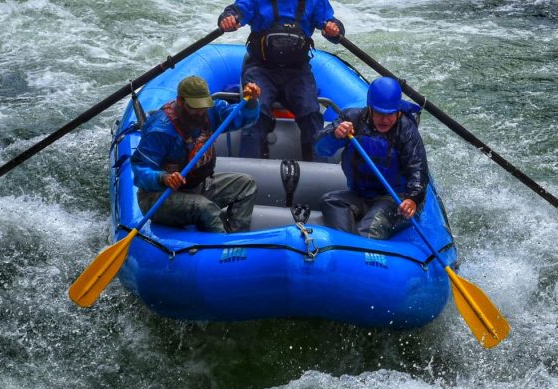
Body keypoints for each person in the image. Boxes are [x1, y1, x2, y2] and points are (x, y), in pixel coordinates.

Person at [217, 0, 345, 161]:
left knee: (311, 113)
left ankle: (317, 167)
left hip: (297, 71)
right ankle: (249, 171)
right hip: (261, 68)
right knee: (257, 112)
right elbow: (236, 11)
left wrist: (334, 28)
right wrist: (229, 18)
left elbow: (332, 25)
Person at [131, 76, 262, 233]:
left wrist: (252, 101)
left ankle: (235, 237)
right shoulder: (161, 130)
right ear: (180, 101)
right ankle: (222, 246)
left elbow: (242, 118)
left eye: (203, 106)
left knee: (246, 185)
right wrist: (163, 178)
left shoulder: (210, 112)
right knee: (205, 208)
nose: (201, 112)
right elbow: (140, 170)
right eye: (195, 107)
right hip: (159, 196)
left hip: (194, 186)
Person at [314, 77, 428, 240]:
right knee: (330, 201)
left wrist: (413, 199)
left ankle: (358, 250)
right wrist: (334, 134)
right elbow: (321, 149)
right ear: (370, 108)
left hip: (395, 198)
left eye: (390, 114)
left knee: (368, 229)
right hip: (361, 195)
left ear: (399, 111)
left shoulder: (406, 131)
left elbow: (418, 169)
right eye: (380, 113)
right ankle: (346, 244)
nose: (385, 119)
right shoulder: (352, 119)